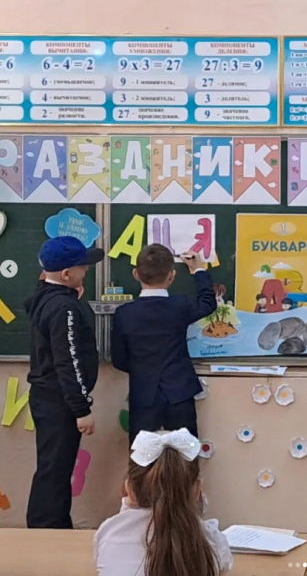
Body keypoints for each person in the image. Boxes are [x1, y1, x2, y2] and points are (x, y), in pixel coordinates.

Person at [25, 236, 104, 528]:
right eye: (83, 267)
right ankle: (46, 529)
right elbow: (68, 360)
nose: (87, 271)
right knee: (55, 471)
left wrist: (71, 294)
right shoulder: (63, 308)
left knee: (54, 468)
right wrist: (81, 409)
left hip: (47, 396)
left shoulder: (49, 297)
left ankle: (55, 525)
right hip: (59, 401)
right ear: (67, 274)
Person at [111, 244, 217, 444]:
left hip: (143, 395)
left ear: (135, 274)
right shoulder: (181, 306)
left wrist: (143, 371)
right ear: (172, 275)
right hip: (179, 393)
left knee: (143, 456)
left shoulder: (124, 314)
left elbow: (118, 359)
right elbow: (207, 303)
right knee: (184, 454)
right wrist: (198, 270)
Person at [94, 428, 232, 576]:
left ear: (129, 488)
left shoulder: (109, 533)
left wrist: (127, 510)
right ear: (198, 489)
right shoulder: (213, 541)